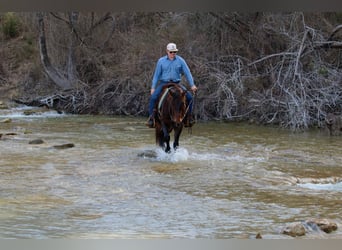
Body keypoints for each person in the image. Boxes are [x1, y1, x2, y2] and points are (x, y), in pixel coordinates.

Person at [147, 42, 198, 128]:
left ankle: (189, 118)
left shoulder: (181, 61)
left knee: (189, 97)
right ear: (167, 51)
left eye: (174, 52)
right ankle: (152, 119)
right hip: (164, 83)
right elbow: (156, 75)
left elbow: (187, 73)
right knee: (153, 97)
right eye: (171, 52)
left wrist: (192, 85)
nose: (173, 54)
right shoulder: (161, 61)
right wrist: (153, 87)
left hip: (176, 83)